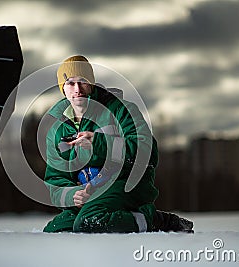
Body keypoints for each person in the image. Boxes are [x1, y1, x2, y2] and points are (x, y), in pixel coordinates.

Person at [43, 55, 193, 233]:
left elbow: (147, 150)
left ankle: (155, 220)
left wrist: (100, 144)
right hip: (90, 193)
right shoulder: (57, 130)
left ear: (91, 83)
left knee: (88, 221)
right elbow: (55, 178)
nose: (77, 89)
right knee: (56, 229)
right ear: (63, 89)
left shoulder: (121, 109)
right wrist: (71, 195)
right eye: (70, 83)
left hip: (125, 183)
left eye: (83, 81)